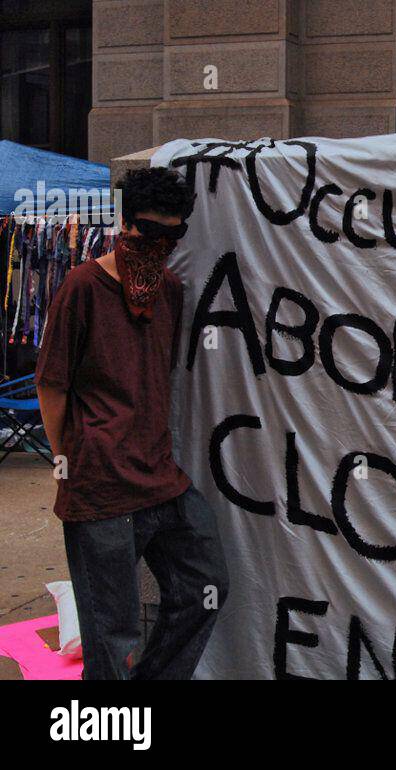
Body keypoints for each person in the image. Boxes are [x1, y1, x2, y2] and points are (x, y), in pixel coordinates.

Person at [34, 167, 229, 680]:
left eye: (175, 234)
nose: (162, 244)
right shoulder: (81, 286)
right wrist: (67, 458)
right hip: (100, 487)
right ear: (126, 223)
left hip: (159, 477)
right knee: (112, 633)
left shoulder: (168, 290)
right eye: (152, 231)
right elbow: (51, 384)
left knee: (205, 589)